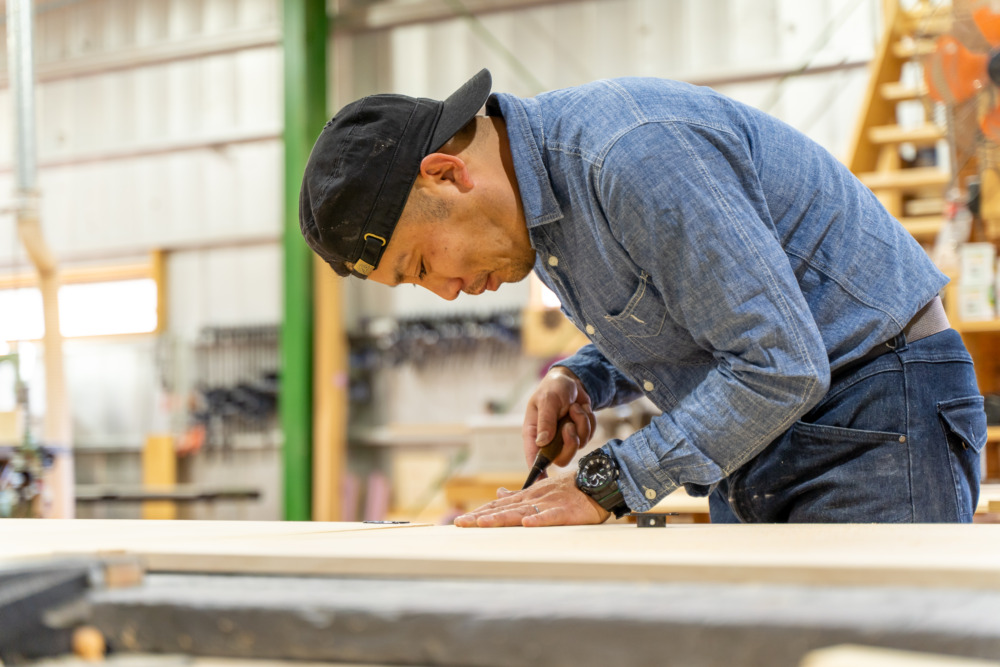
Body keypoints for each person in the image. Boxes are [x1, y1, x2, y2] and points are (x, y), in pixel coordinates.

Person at [299, 68, 987, 525]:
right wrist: (584, 374)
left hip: (874, 411)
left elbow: (781, 362)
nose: (445, 292)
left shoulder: (631, 156)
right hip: (776, 434)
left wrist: (603, 482)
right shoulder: (547, 211)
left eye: (421, 263)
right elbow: (697, 302)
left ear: (446, 176)